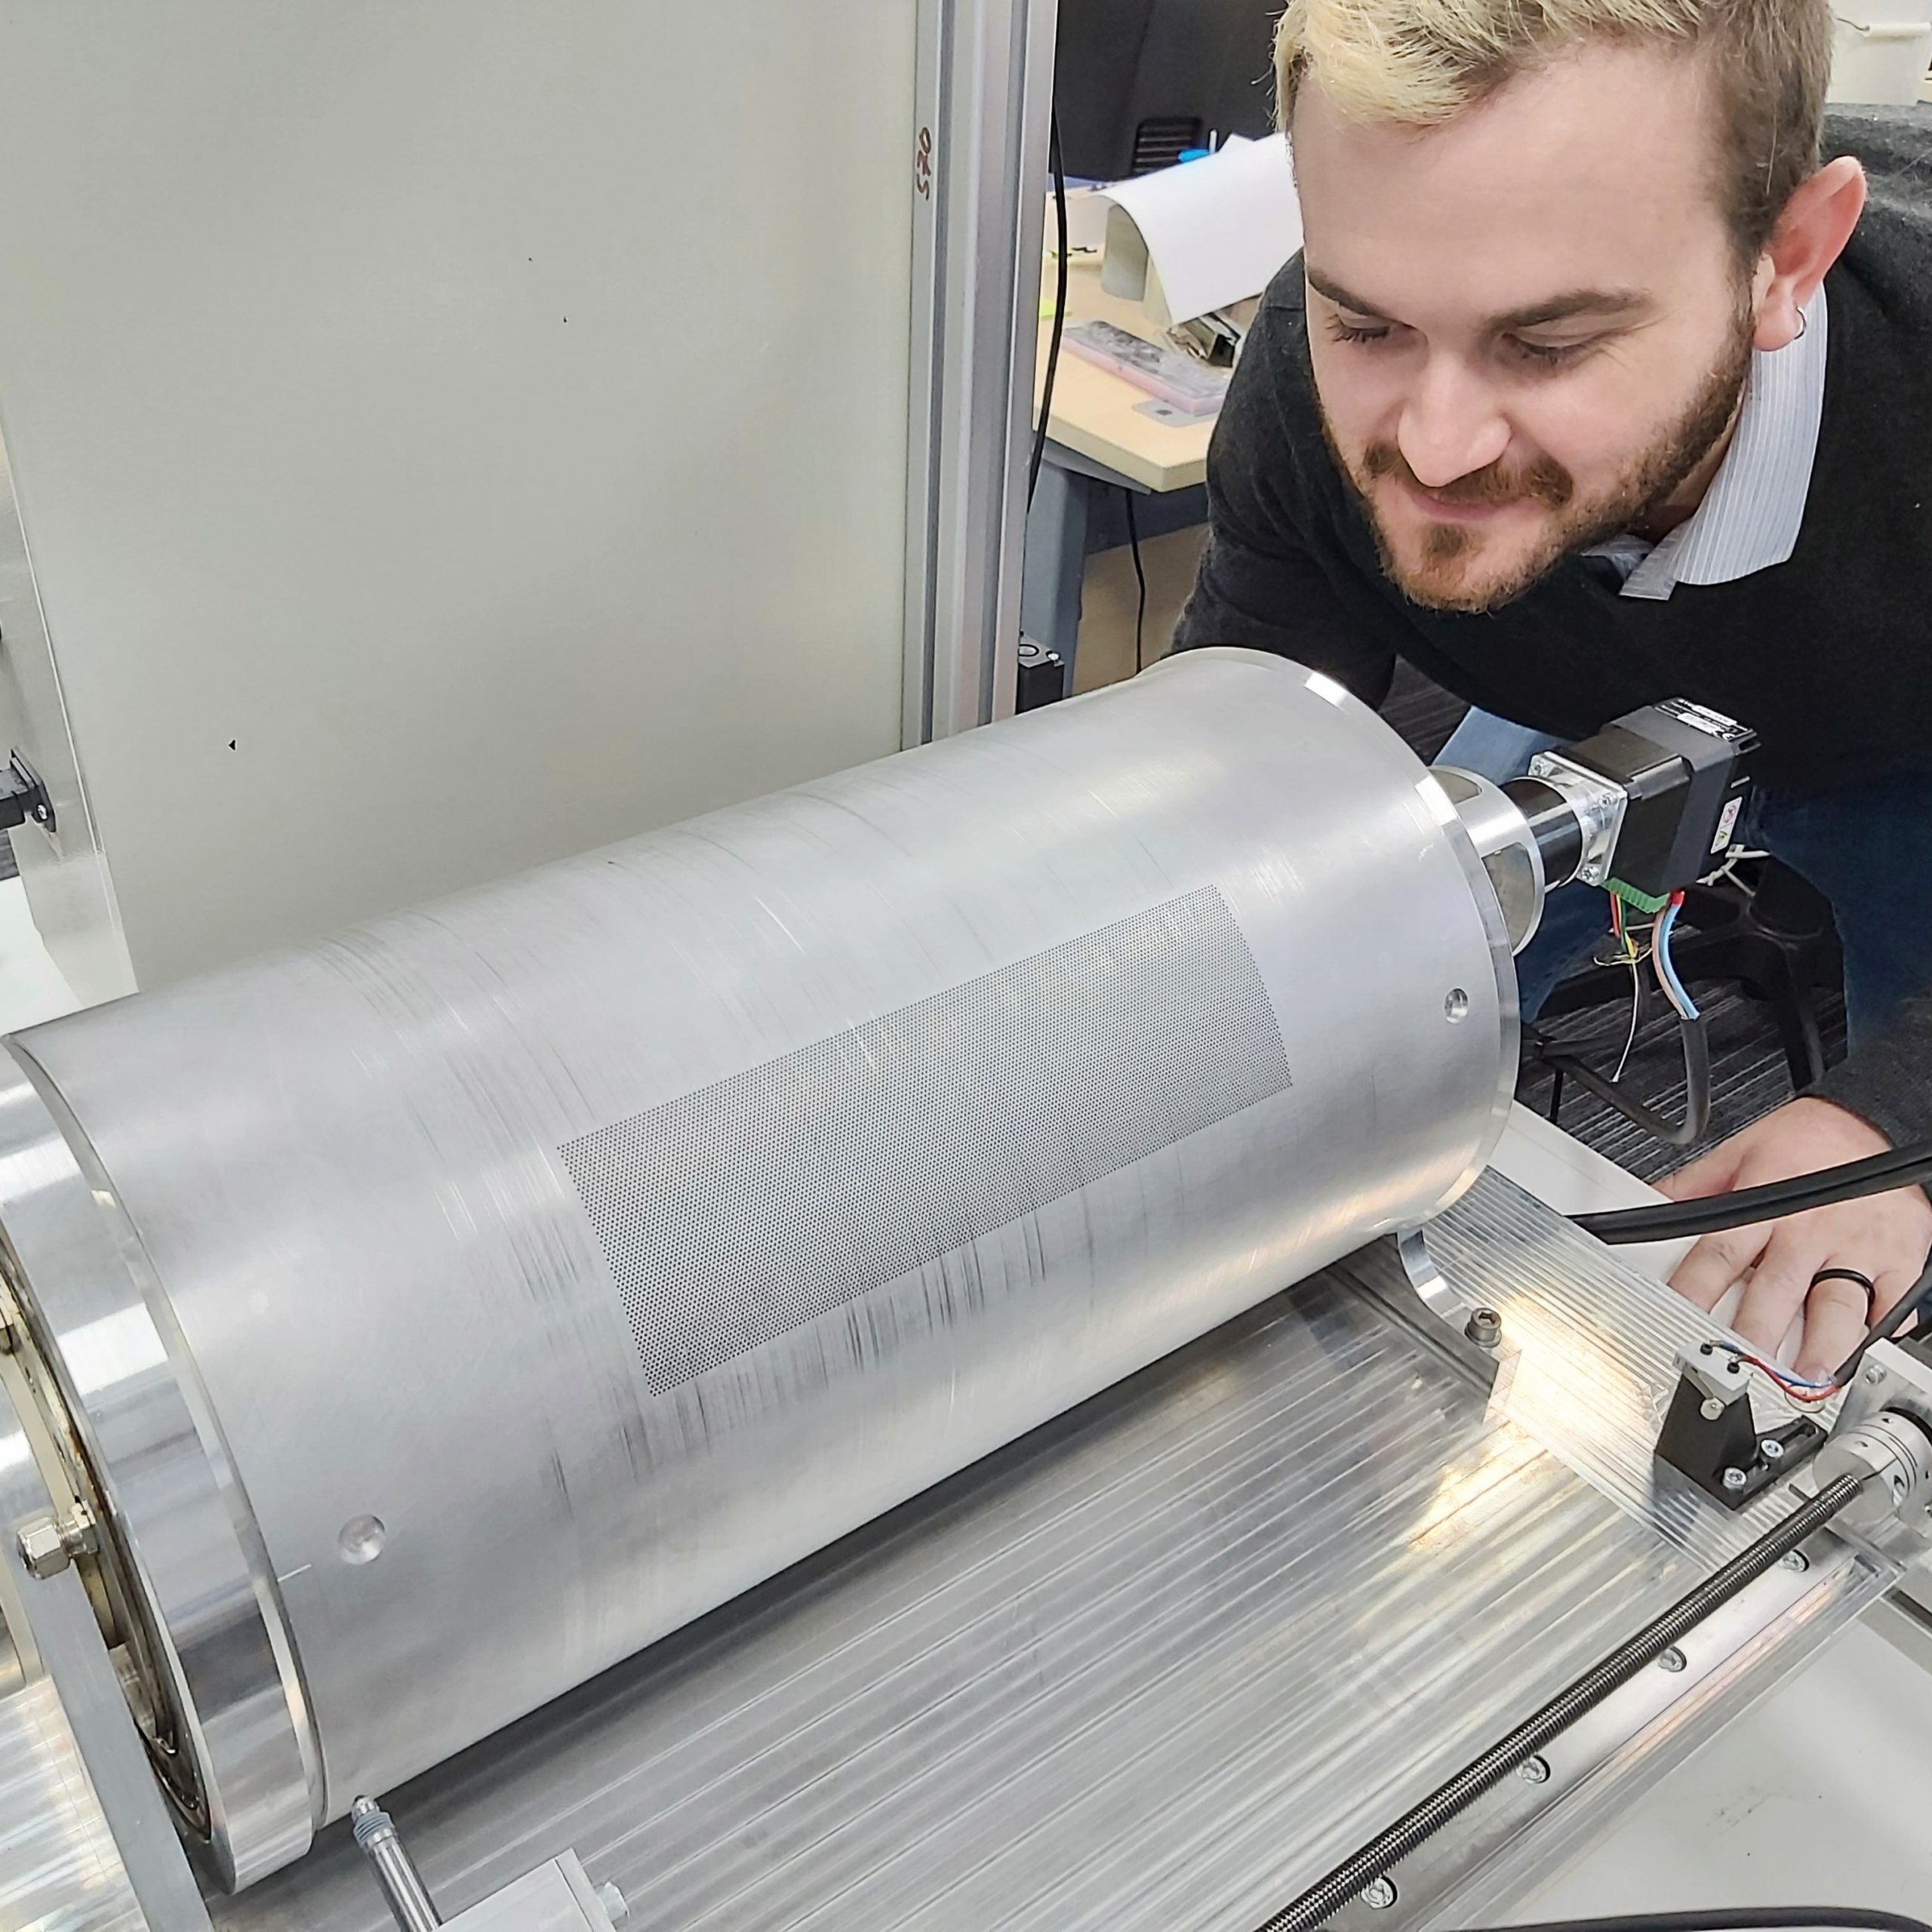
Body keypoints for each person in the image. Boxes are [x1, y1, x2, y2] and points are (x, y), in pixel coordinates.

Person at [1173, 0, 1932, 1381]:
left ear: (1787, 261)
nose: (1437, 444)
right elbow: (1239, 786)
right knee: (1393, 990)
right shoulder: (1300, 374)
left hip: (1906, 725)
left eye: (1549, 343)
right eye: (1371, 325)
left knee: (1873, 1197)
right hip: (1586, 676)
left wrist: (1887, 1129)